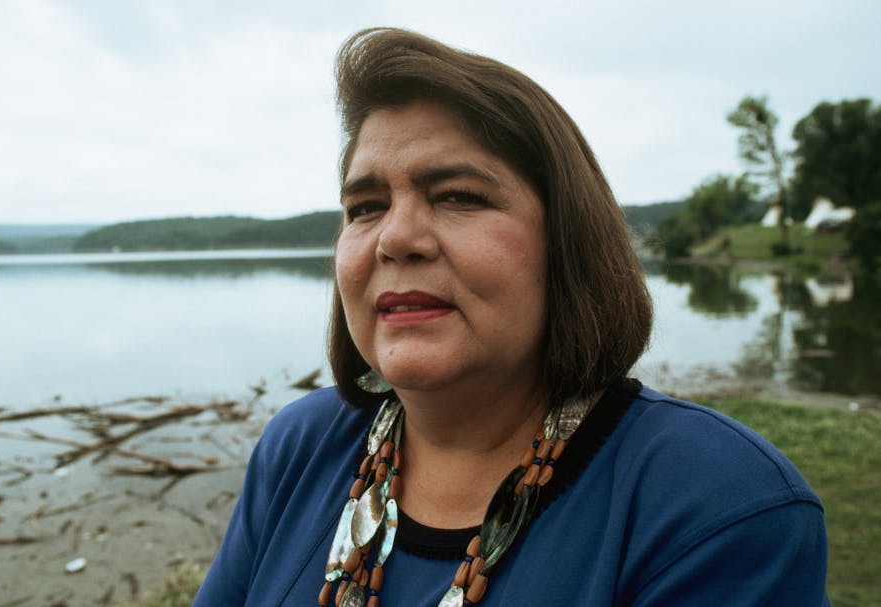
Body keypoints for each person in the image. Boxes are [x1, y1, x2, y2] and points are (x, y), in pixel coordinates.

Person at [193, 28, 829, 606]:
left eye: (460, 196)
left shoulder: (720, 503)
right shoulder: (299, 445)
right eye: (365, 206)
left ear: (567, 242)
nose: (395, 237)